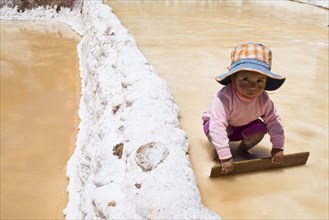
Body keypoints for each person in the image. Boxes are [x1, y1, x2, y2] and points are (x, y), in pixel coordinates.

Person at [202, 43, 286, 174]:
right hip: (219, 128)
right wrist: (225, 157)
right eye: (245, 79)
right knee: (214, 130)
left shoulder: (263, 99)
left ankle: (242, 149)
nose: (252, 87)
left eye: (259, 81)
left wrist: (278, 147)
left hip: (242, 129)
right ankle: (219, 150)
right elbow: (217, 125)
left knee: (261, 128)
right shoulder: (224, 97)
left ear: (266, 81)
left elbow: (274, 121)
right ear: (233, 78)